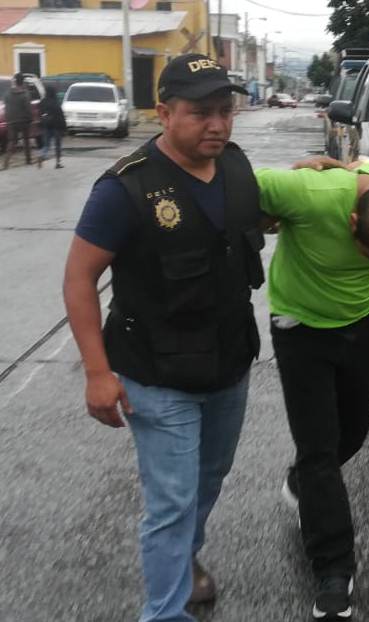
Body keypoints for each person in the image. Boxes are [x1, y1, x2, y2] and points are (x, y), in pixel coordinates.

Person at [63, 54, 262, 622]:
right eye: (201, 113)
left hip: (229, 363)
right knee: (172, 500)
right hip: (156, 371)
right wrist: (97, 373)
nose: (217, 125)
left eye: (225, 110)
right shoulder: (125, 187)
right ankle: (164, 611)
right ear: (164, 112)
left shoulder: (236, 167)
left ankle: (184, 558)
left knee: (208, 480)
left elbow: (255, 220)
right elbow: (79, 278)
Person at [257, 160, 369, 620]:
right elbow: (229, 184)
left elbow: (364, 169)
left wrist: (344, 165)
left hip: (361, 323)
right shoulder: (303, 193)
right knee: (319, 450)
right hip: (300, 327)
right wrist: (263, 217)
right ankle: (333, 569)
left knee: (355, 432)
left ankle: (304, 483)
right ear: (351, 221)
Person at [2, 73, 33, 170]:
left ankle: (6, 163)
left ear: (15, 81)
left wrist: (8, 119)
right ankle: (28, 161)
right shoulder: (25, 94)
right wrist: (30, 118)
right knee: (26, 141)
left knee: (11, 142)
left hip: (11, 121)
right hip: (24, 121)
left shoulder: (7, 93)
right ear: (23, 82)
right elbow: (28, 108)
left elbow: (6, 106)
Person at [38, 84, 66, 169]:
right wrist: (64, 127)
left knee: (46, 145)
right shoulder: (55, 102)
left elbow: (40, 114)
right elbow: (60, 116)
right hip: (56, 126)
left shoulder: (42, 102)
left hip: (46, 126)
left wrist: (41, 124)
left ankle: (41, 155)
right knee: (57, 146)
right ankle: (57, 163)